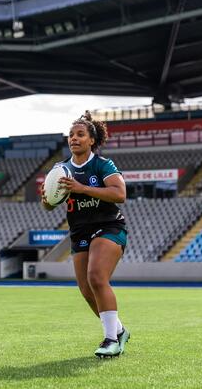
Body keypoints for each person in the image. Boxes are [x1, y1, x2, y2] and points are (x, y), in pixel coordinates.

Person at [41, 111, 130, 358]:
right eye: (71, 135)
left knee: (96, 277)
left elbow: (119, 194)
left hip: (109, 226)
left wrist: (82, 188)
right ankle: (120, 331)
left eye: (80, 134)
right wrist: (47, 199)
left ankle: (111, 340)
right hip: (79, 231)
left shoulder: (103, 165)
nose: (74, 138)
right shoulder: (61, 169)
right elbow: (49, 205)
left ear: (92, 140)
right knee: (86, 291)